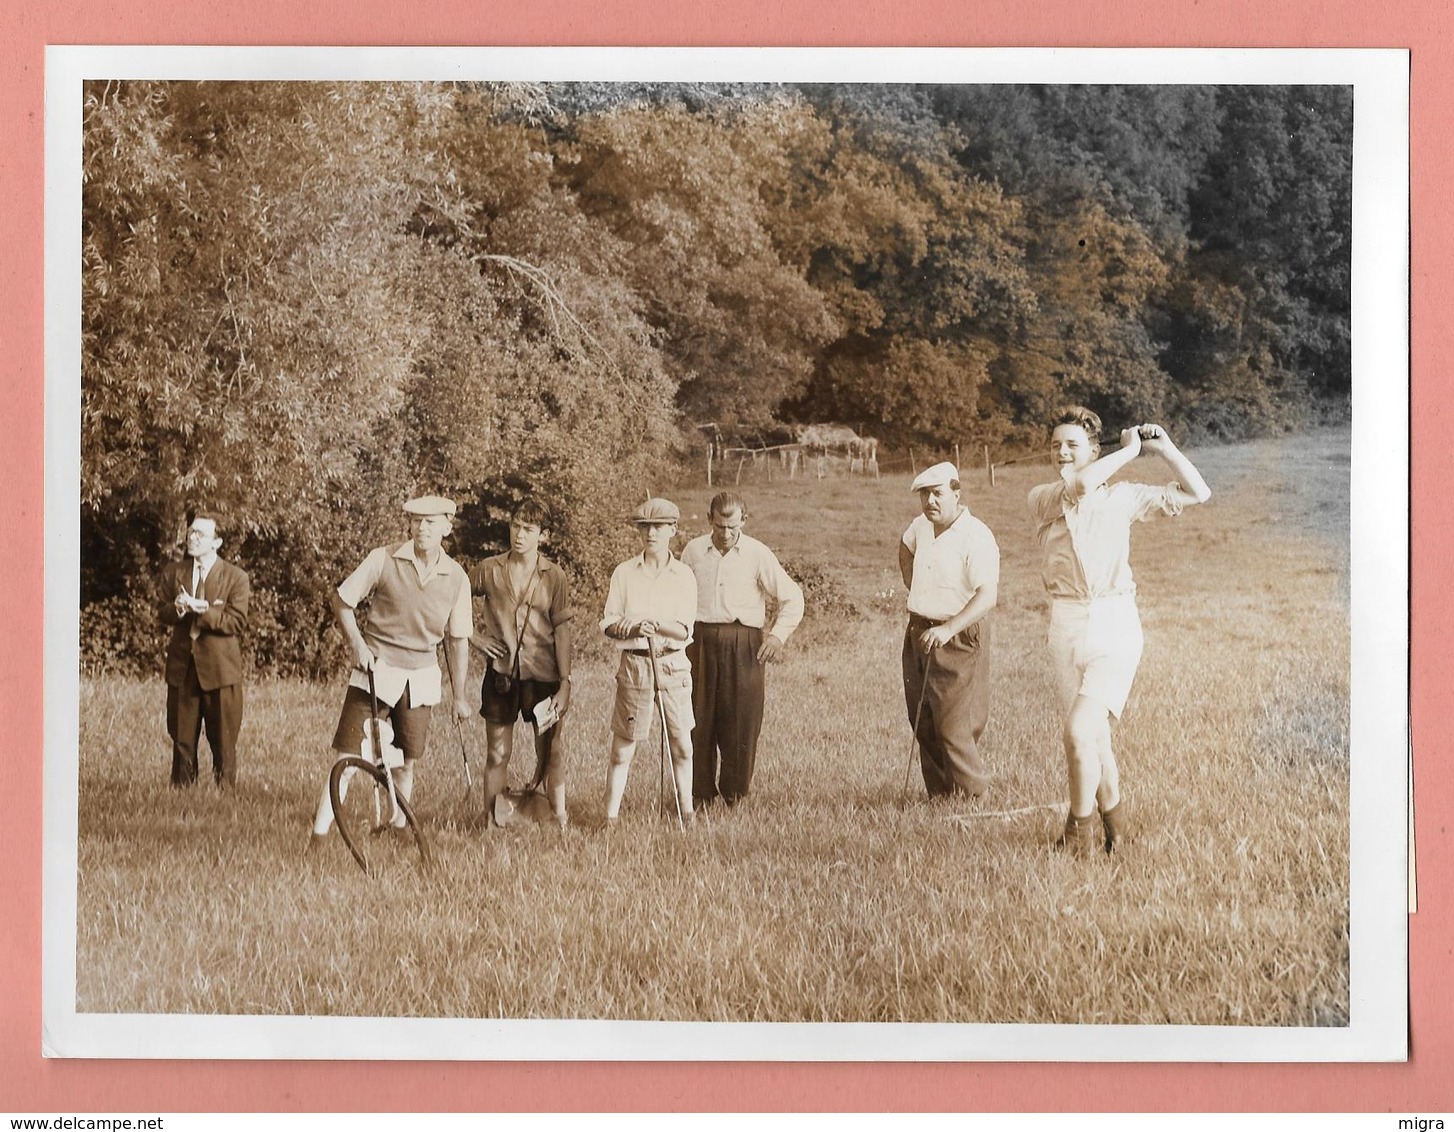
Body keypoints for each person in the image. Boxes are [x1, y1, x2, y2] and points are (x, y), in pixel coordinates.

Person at [1028, 407, 1211, 855]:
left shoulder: (1124, 497)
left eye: (1073, 444)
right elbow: (1080, 486)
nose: (1062, 452)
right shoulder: (1043, 496)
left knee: (1076, 732)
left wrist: (1163, 447)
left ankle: (1079, 832)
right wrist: (1129, 450)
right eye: (1056, 445)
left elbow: (1199, 493)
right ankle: (1117, 831)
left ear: (1095, 449)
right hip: (1065, 624)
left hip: (1115, 626)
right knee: (1094, 738)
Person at [309, 495, 473, 844]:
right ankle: (319, 836)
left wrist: (460, 697)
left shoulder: (457, 576)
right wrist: (358, 645)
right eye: (415, 521)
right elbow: (342, 601)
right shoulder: (383, 559)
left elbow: (459, 640)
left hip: (420, 678)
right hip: (375, 671)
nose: (421, 528)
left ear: (447, 526)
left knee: (405, 762)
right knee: (348, 757)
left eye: (430, 522)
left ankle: (399, 828)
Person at [680, 491, 804, 808]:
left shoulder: (757, 554)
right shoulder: (693, 552)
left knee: (741, 720)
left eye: (733, 527)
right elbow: (676, 596)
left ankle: (736, 795)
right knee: (697, 718)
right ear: (709, 520)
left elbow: (792, 597)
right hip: (698, 641)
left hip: (744, 643)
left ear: (743, 522)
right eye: (720, 526)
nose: (726, 534)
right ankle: (699, 794)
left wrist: (777, 637)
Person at [469, 499, 573, 829]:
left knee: (550, 754)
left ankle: (559, 821)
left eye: (529, 529)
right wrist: (474, 638)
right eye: (516, 525)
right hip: (501, 676)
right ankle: (492, 823)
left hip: (544, 676)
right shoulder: (489, 569)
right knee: (497, 754)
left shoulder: (554, 576)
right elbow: (449, 598)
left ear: (542, 535)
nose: (520, 534)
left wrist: (566, 682)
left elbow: (563, 629)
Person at [899, 462, 1000, 799]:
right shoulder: (921, 526)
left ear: (957, 493)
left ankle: (972, 798)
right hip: (919, 632)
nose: (930, 501)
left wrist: (949, 628)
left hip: (958, 636)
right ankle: (942, 798)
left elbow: (987, 596)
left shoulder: (977, 535)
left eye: (937, 493)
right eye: (924, 495)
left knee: (953, 725)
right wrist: (914, 587)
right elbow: (906, 545)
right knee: (923, 719)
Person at [600, 497, 698, 828]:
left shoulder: (684, 575)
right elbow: (609, 623)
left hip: (673, 664)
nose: (650, 534)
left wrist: (652, 621)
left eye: (658, 528)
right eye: (644, 528)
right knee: (622, 750)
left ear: (673, 530)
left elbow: (685, 629)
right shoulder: (624, 572)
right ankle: (609, 819)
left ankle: (687, 813)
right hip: (635, 665)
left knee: (682, 746)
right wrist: (626, 625)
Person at [157, 511, 250, 788]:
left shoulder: (236, 577)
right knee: (182, 740)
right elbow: (161, 611)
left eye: (200, 534)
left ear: (216, 542)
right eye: (191, 532)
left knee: (223, 742)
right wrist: (178, 608)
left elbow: (237, 622)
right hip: (183, 670)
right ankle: (182, 796)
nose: (192, 538)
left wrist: (205, 610)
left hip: (221, 672)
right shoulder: (174, 572)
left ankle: (224, 799)